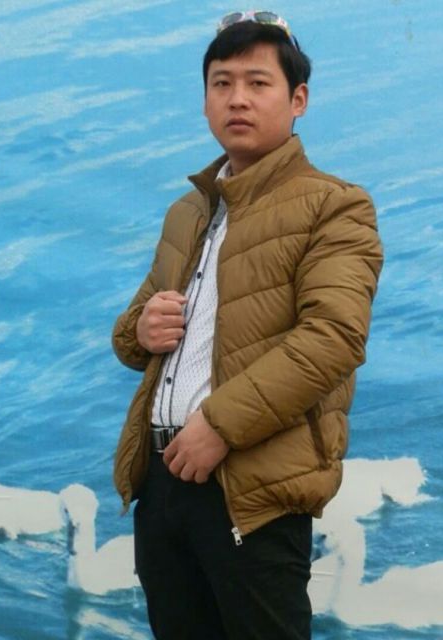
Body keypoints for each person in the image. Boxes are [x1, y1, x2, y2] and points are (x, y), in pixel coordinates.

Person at [112, 10, 383, 640]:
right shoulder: (188, 210)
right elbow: (133, 334)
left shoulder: (335, 205)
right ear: (205, 98)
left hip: (251, 488)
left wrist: (219, 425)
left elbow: (333, 339)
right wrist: (139, 330)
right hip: (162, 481)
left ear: (298, 100)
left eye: (258, 83)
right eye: (222, 83)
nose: (237, 99)